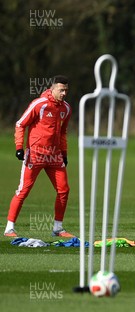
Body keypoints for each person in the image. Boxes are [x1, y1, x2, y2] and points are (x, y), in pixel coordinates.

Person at [4, 75, 74, 238]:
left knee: (64, 190)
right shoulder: (39, 104)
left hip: (55, 157)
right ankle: (9, 228)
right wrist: (19, 147)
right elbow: (20, 124)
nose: (64, 93)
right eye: (61, 90)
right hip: (35, 155)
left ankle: (58, 228)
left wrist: (64, 153)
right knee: (24, 190)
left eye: (66, 90)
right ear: (52, 89)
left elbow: (63, 132)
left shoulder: (66, 109)